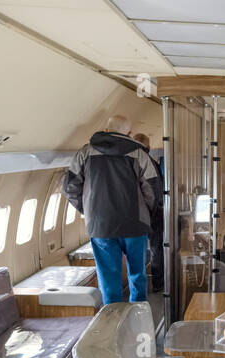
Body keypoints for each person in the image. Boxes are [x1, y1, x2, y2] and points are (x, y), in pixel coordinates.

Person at [63, 115, 159, 305]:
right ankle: (138, 317)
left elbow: (70, 188)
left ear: (106, 130)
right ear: (129, 133)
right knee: (137, 275)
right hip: (135, 224)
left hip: (101, 226)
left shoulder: (85, 153)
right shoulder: (139, 154)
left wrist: (89, 210)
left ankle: (111, 320)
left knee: (108, 279)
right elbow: (152, 189)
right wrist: (146, 213)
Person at [132, 132, 165, 293]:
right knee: (156, 248)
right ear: (149, 147)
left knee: (137, 253)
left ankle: (138, 290)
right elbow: (155, 190)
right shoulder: (150, 162)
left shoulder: (126, 161)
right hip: (152, 213)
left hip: (132, 215)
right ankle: (158, 284)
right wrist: (154, 211)